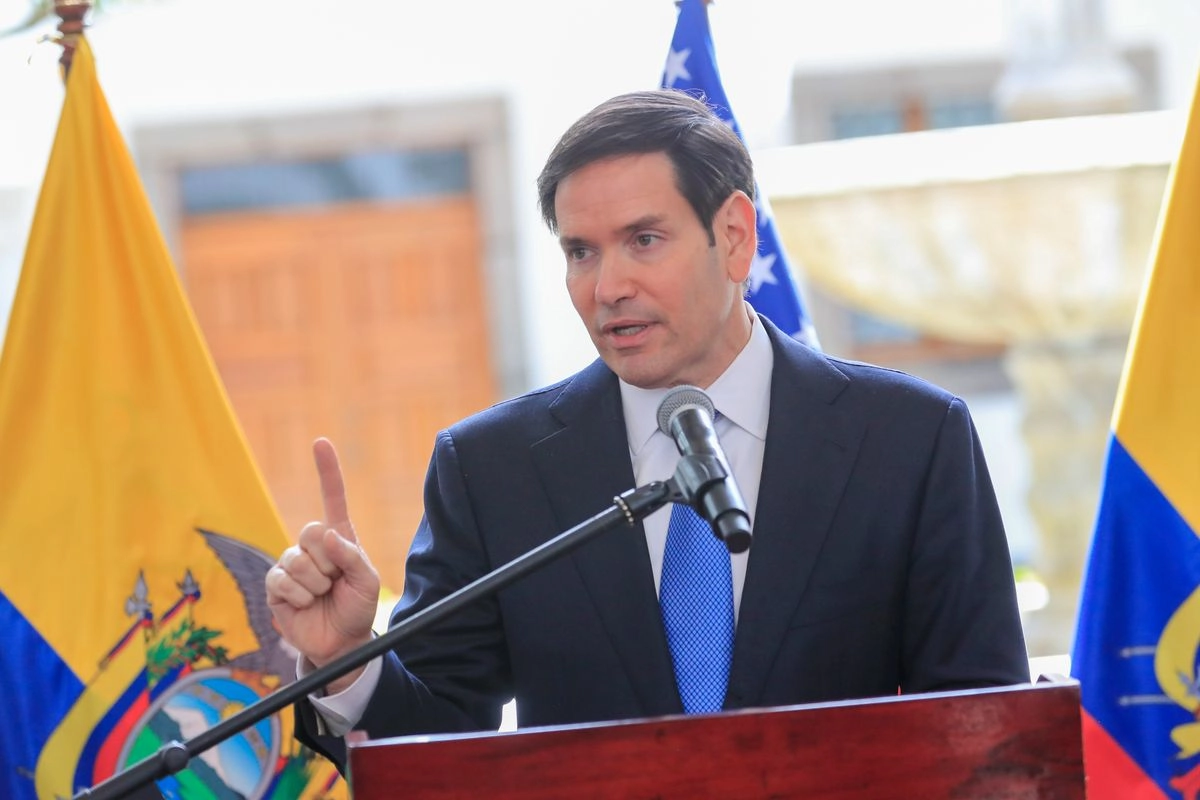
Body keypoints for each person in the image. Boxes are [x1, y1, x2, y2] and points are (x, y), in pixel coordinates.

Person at [265, 89, 1030, 770]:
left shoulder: (908, 441)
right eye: (580, 252)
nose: (608, 287)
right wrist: (347, 663)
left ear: (735, 236)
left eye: (643, 240)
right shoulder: (492, 468)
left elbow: (986, 734)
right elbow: (436, 748)